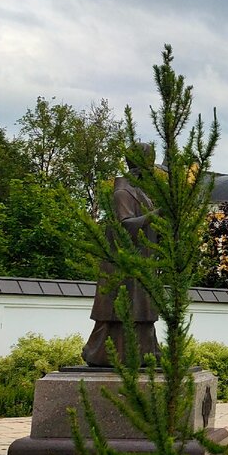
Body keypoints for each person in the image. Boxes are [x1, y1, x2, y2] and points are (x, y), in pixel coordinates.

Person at [82, 143, 162, 367]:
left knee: (142, 315)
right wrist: (157, 214)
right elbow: (125, 226)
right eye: (149, 161)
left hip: (140, 264)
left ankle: (147, 354)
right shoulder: (123, 192)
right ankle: (102, 354)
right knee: (120, 315)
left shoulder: (141, 192)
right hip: (123, 266)